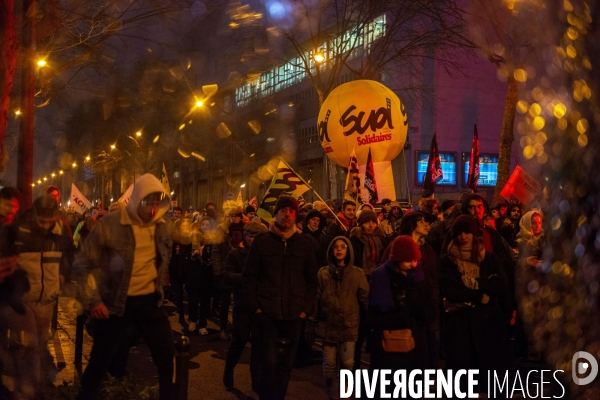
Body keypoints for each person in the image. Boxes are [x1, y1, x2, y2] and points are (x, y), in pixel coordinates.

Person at [73, 174, 175, 400]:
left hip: (149, 300)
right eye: (149, 202)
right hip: (116, 301)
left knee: (167, 358)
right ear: (138, 199)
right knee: (99, 363)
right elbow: (82, 264)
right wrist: (94, 301)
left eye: (158, 203)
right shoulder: (110, 224)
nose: (153, 209)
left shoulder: (162, 226)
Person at [241, 195, 318, 400]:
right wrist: (257, 309)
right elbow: (249, 278)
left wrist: (305, 310)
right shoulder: (262, 243)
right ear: (276, 213)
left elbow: (312, 280)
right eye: (283, 210)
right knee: (269, 364)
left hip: (294, 317)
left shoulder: (304, 243)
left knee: (285, 367)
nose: (288, 214)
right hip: (267, 315)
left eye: (292, 211)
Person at [0, 195, 71, 398]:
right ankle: (27, 389)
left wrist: (63, 273)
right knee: (26, 345)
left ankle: (33, 387)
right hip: (24, 299)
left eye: (50, 221)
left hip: (47, 298)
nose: (46, 226)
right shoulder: (19, 232)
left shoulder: (59, 235)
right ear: (34, 215)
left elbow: (67, 256)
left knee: (39, 345)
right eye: (42, 221)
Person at [439, 215, 514, 393]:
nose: (463, 237)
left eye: (467, 232)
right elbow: (452, 290)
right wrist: (481, 296)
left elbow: (500, 286)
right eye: (459, 233)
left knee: (493, 379)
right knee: (463, 381)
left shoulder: (489, 259)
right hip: (460, 326)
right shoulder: (447, 261)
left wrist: (476, 284)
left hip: (489, 325)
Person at [368, 236, 435, 397]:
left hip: (416, 347)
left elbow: (429, 313)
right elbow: (374, 317)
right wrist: (403, 315)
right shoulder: (381, 278)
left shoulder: (419, 279)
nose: (413, 264)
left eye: (415, 260)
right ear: (397, 259)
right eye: (408, 260)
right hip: (390, 349)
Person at [306, 237, 368, 399]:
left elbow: (365, 299)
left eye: (343, 247)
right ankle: (332, 395)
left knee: (347, 364)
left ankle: (345, 394)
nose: (339, 250)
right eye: (336, 247)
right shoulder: (324, 274)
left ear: (348, 251)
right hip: (328, 326)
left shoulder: (357, 274)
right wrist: (311, 321)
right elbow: (316, 298)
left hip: (349, 325)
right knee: (329, 365)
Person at [222, 221, 268, 391]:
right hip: (242, 305)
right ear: (245, 236)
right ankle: (229, 369)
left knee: (258, 345)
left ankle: (256, 381)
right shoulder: (236, 254)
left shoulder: (265, 255)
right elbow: (227, 275)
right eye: (250, 235)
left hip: (260, 306)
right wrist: (245, 277)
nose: (253, 239)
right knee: (239, 341)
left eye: (257, 236)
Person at [397, 212, 439, 368]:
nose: (427, 225)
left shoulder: (428, 249)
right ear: (412, 225)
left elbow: (434, 278)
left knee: (429, 351)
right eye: (422, 222)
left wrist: (433, 302)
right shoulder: (399, 246)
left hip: (426, 308)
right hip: (406, 308)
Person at [348, 209, 387, 370]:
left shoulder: (382, 239)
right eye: (367, 222)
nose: (370, 225)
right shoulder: (354, 239)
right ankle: (354, 368)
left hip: (376, 281)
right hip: (359, 280)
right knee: (359, 326)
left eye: (372, 222)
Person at [213, 206, 245, 340]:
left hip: (240, 272)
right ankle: (223, 328)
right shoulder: (222, 231)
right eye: (231, 216)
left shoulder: (246, 230)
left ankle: (239, 328)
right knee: (225, 302)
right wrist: (218, 272)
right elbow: (216, 253)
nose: (234, 218)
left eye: (236, 216)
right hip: (226, 271)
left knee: (240, 302)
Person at [186, 216, 218, 335]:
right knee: (193, 300)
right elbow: (184, 253)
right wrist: (193, 254)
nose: (205, 227)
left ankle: (202, 324)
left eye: (207, 225)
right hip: (194, 273)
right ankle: (193, 320)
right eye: (203, 224)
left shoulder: (214, 239)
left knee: (205, 301)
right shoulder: (193, 236)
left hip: (207, 274)